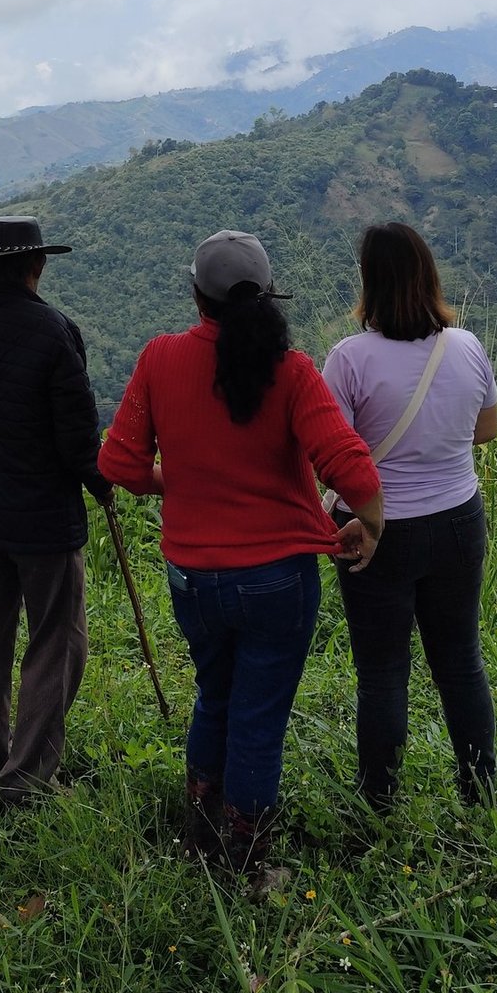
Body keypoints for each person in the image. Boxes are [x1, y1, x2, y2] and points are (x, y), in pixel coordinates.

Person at [98, 230, 383, 873]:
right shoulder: (292, 371)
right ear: (264, 293)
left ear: (196, 295)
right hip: (277, 579)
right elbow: (352, 469)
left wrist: (178, 480)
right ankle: (246, 859)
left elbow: (119, 463)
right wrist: (372, 524)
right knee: (258, 713)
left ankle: (201, 825)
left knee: (215, 695)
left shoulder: (160, 359)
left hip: (192, 578)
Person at [322, 221, 497, 810]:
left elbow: (331, 457)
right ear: (429, 277)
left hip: (374, 531)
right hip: (457, 519)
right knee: (460, 662)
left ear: (368, 283)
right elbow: (486, 432)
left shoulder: (348, 360)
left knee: (381, 673)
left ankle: (380, 800)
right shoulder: (467, 346)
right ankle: (480, 791)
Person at [0, 215, 111, 804]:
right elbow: (78, 437)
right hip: (42, 522)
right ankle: (29, 776)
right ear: (37, 265)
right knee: (57, 643)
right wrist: (102, 483)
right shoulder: (54, 331)